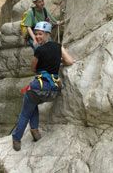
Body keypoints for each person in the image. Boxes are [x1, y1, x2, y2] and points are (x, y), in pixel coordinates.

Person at [12, 21, 74, 151]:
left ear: (47, 34)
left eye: (40, 34)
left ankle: (17, 139)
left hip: (39, 87)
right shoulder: (58, 46)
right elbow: (69, 61)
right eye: (36, 34)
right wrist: (58, 60)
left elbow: (33, 68)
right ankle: (35, 131)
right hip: (53, 91)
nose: (37, 37)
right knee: (32, 102)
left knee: (25, 111)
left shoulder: (39, 50)